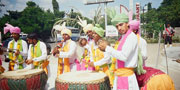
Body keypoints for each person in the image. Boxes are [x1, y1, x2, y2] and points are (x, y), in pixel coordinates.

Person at [98, 13, 139, 90]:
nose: (119, 28)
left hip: (127, 78)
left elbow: (123, 57)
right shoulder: (123, 38)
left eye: (121, 24)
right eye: (117, 26)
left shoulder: (131, 37)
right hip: (119, 75)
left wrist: (107, 48)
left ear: (127, 24)